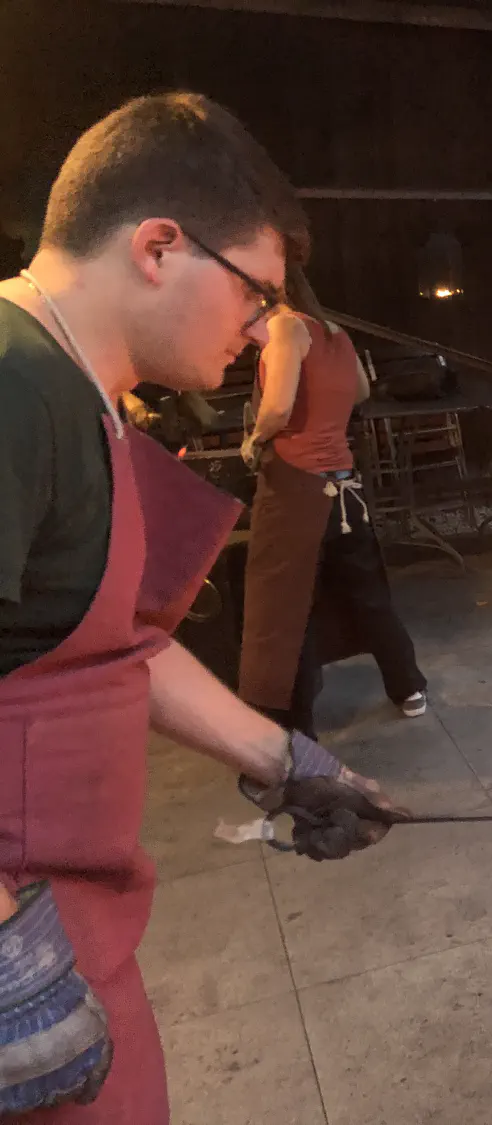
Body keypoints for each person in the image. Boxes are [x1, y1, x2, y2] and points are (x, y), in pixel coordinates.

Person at [0, 93, 401, 1123]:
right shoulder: (12, 384)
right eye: (257, 293)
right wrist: (8, 966)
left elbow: (118, 644)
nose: (266, 326)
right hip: (23, 956)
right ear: (158, 248)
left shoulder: (88, 395)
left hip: (77, 926)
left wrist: (286, 760)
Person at [239, 264, 427, 736]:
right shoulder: (336, 333)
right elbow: (361, 390)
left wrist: (255, 439)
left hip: (296, 490)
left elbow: (278, 407)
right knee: (369, 595)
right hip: (344, 485)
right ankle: (408, 688)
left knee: (288, 606)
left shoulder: (286, 326)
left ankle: (295, 724)